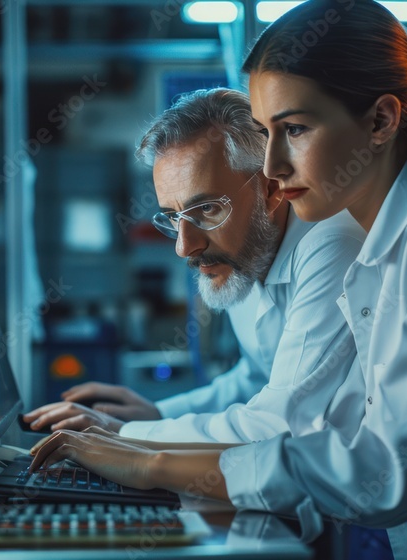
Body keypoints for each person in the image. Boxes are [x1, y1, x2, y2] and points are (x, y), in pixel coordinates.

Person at [29, 1, 407, 558]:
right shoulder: (386, 238)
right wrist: (149, 435)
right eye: (265, 132)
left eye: (295, 129)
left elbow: (387, 469)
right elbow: (321, 425)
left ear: (380, 120)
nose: (273, 168)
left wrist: (146, 458)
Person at [23, 88, 365, 444]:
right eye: (173, 216)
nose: (185, 247)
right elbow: (254, 379)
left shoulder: (331, 247)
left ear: (270, 189)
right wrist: (158, 414)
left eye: (207, 210)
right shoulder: (246, 255)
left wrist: (127, 433)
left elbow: (281, 421)